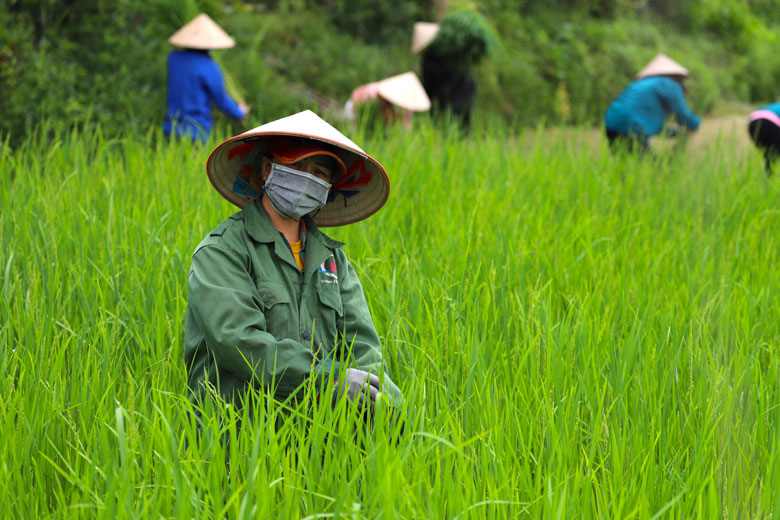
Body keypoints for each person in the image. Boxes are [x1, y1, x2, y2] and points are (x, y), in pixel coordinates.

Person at [184, 109, 403, 414]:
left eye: (319, 173)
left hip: (314, 434)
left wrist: (387, 402)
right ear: (267, 170)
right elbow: (240, 341)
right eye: (297, 165)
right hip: (237, 430)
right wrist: (329, 379)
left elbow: (362, 345)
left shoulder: (332, 259)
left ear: (327, 189)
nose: (307, 179)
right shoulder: (222, 251)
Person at [163, 13, 250, 143]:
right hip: (196, 132)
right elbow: (221, 99)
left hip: (171, 128)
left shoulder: (173, 58)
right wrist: (239, 112)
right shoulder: (210, 66)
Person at [604, 53, 701, 152]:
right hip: (632, 127)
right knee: (649, 166)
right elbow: (682, 114)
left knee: (626, 164)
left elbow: (654, 126)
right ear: (675, 76)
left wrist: (678, 133)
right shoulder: (668, 83)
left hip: (612, 126)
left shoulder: (642, 84)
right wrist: (695, 124)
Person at [346, 71, 431, 131]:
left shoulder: (407, 104)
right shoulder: (372, 94)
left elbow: (406, 126)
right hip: (355, 110)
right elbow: (356, 112)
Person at [747, 102, 780, 177]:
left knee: (768, 154)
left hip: (752, 123)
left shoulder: (774, 105)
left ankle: (768, 177)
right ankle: (771, 178)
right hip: (771, 122)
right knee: (774, 153)